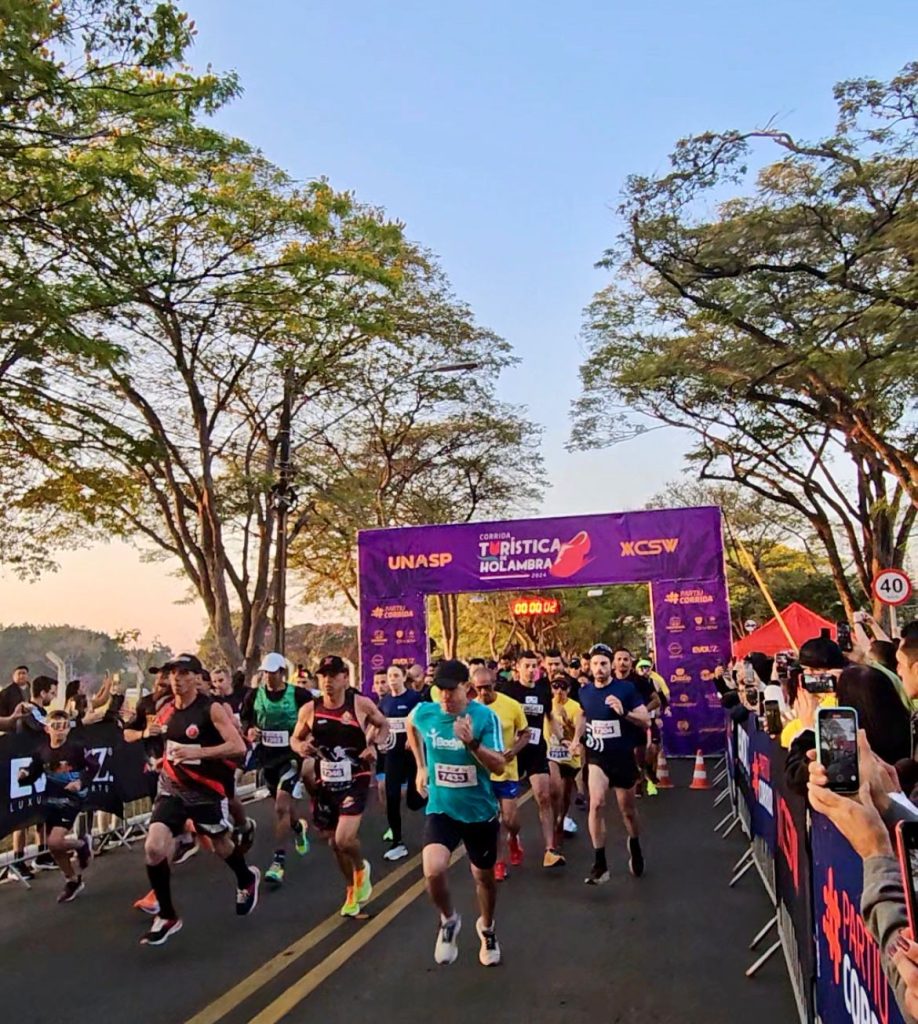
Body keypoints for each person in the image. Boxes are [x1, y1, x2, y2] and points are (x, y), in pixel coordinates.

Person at [141, 654, 260, 946]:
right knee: (154, 848)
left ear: (196, 677)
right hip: (171, 788)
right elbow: (167, 743)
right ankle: (168, 915)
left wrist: (198, 753)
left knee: (221, 845)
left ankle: (246, 878)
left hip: (206, 791)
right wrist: (160, 759)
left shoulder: (212, 709)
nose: (176, 680)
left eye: (183, 673)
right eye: (172, 674)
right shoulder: (165, 710)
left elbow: (236, 746)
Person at [407, 659, 505, 966]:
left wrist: (472, 743)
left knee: (483, 878)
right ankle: (449, 920)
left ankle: (487, 928)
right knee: (433, 869)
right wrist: (421, 767)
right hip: (442, 808)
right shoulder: (428, 712)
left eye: (452, 691)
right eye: (441, 691)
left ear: (468, 688)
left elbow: (499, 765)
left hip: (480, 812)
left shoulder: (484, 718)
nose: (446, 697)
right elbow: (411, 723)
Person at [291, 654, 389, 917]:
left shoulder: (360, 703)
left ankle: (361, 867)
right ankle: (350, 889)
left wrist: (373, 745)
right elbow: (295, 739)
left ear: (345, 678)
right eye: (323, 676)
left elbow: (384, 725)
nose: (327, 682)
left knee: (345, 838)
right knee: (335, 844)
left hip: (355, 778)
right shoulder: (310, 709)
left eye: (333, 676)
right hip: (327, 781)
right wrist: (301, 746)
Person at [575, 643, 651, 884]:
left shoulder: (626, 689)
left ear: (611, 666)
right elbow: (582, 714)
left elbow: (645, 719)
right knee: (596, 804)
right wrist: (577, 738)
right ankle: (601, 864)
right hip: (597, 757)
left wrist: (624, 712)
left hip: (622, 757)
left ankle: (635, 845)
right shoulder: (585, 691)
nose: (599, 668)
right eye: (595, 664)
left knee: (627, 812)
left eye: (604, 664)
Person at [240, 652, 312, 887]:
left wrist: (304, 740)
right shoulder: (254, 695)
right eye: (265, 673)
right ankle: (297, 826)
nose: (268, 677)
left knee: (281, 805)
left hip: (290, 755)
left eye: (273, 673)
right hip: (267, 756)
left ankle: (278, 862)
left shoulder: (299, 695)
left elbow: (314, 718)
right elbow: (245, 721)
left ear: (282, 673)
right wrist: (250, 731)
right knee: (284, 809)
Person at [17, 709, 96, 902]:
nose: (60, 731)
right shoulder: (41, 751)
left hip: (72, 798)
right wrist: (24, 777)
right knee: (55, 847)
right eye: (56, 726)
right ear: (47, 729)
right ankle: (72, 879)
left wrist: (80, 782)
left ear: (69, 730)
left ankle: (80, 844)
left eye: (64, 727)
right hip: (51, 799)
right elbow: (34, 772)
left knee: (54, 841)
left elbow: (93, 766)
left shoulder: (76, 748)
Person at [501, 649, 564, 869]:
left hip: (536, 749)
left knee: (544, 796)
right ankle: (512, 838)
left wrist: (562, 738)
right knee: (509, 809)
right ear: (517, 668)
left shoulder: (543, 689)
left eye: (534, 666)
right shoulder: (507, 690)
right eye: (526, 666)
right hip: (513, 752)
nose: (531, 670)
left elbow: (549, 717)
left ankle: (550, 849)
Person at [472, 665, 530, 882]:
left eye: (487, 687)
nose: (483, 693)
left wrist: (513, 751)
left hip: (507, 771)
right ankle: (498, 862)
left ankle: (514, 838)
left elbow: (525, 733)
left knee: (510, 819)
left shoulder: (511, 705)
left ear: (495, 684)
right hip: (483, 774)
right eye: (479, 689)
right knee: (491, 821)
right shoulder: (471, 709)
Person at [378, 663, 425, 861]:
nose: (392, 679)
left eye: (396, 675)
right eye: (390, 676)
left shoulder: (414, 699)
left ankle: (435, 803)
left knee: (414, 801)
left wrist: (413, 737)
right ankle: (397, 842)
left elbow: (423, 723)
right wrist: (377, 740)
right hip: (393, 756)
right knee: (391, 796)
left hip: (412, 756)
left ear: (404, 677)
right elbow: (380, 724)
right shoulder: (385, 702)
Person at [546, 675, 583, 840]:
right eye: (555, 687)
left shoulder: (575, 707)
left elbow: (577, 732)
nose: (558, 690)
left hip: (569, 756)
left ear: (568, 689)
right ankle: (555, 826)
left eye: (562, 687)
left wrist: (566, 718)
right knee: (555, 791)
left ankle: (562, 819)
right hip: (551, 753)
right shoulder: (547, 704)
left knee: (566, 794)